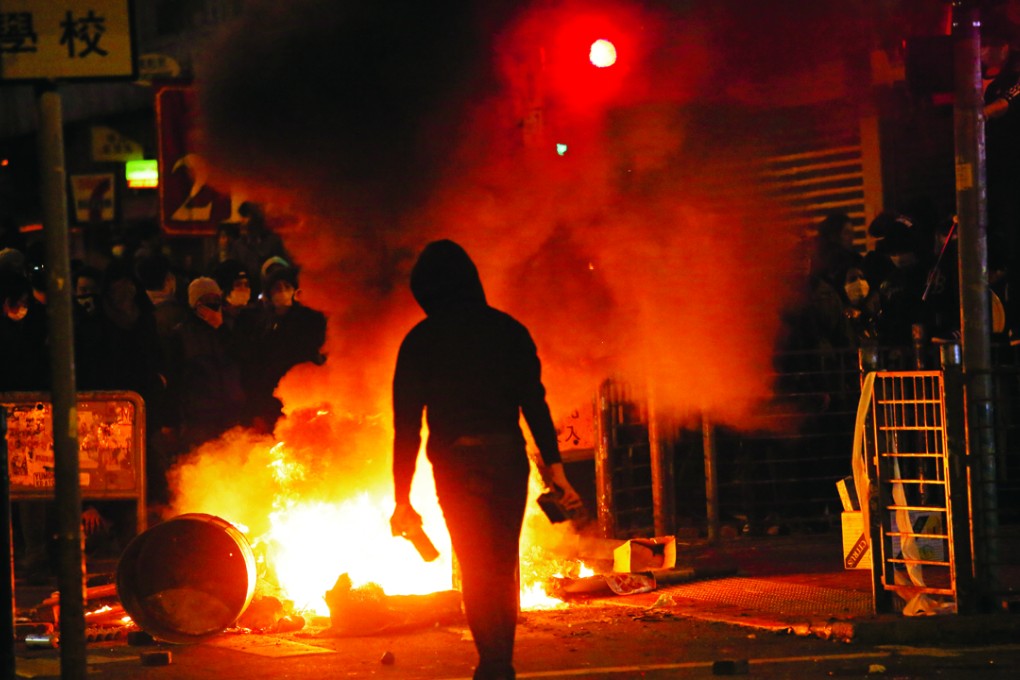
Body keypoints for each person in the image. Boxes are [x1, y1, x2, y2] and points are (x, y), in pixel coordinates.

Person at [389, 240, 582, 680]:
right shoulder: (508, 330)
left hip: (455, 465)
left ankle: (491, 664)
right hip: (505, 459)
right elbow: (535, 404)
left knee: (475, 566)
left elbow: (407, 428)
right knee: (501, 563)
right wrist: (556, 470)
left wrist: (402, 497)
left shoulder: (420, 341)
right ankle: (501, 663)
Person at [166, 277, 247, 451]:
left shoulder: (231, 326)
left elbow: (243, 356)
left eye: (215, 299)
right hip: (199, 419)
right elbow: (174, 379)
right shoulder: (182, 335)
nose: (212, 304)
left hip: (231, 414)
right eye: (205, 301)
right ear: (195, 304)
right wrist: (172, 421)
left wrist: (221, 328)